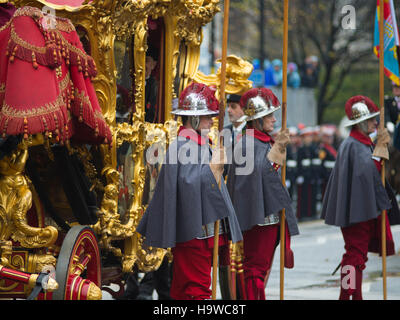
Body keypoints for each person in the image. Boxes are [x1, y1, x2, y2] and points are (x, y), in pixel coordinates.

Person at [136, 82, 243, 300]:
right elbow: (190, 186)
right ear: (193, 119)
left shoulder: (200, 143)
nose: (212, 120)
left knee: (183, 290)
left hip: (204, 231)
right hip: (195, 232)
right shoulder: (183, 145)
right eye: (207, 117)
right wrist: (214, 169)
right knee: (197, 291)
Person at [321, 95, 400, 300]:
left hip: (359, 209)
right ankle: (347, 294)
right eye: (372, 119)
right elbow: (368, 174)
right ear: (362, 122)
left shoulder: (360, 142)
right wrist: (378, 154)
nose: (376, 122)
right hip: (356, 211)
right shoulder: (354, 144)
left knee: (356, 257)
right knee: (354, 257)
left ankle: (352, 295)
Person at [226, 88, 299, 300]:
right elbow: (259, 172)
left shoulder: (260, 140)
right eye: (269, 116)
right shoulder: (247, 142)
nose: (275, 120)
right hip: (258, 219)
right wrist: (277, 151)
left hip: (268, 217)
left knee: (260, 270)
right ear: (257, 119)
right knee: (254, 272)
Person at [144, 45, 159, 123]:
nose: (142, 64)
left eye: (146, 61)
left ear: (153, 65)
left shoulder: (155, 85)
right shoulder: (129, 80)